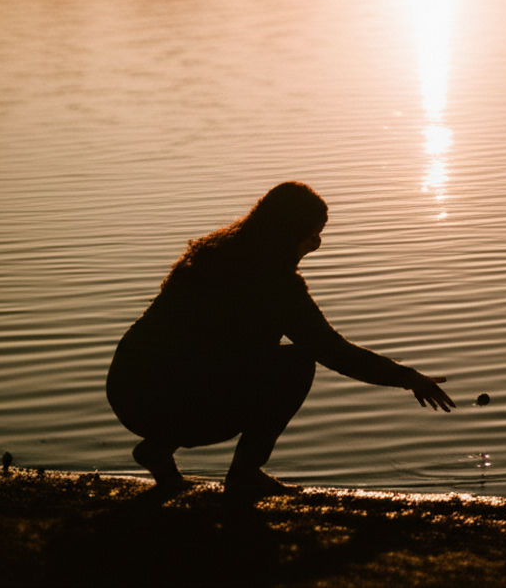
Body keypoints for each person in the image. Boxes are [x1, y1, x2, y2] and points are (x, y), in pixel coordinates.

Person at [107, 182, 455, 493]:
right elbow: (332, 351)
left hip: (128, 394)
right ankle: (244, 473)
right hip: (176, 405)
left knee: (221, 359)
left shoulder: (209, 255)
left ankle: (159, 452)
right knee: (297, 363)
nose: (317, 244)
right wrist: (407, 378)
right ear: (291, 234)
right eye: (313, 235)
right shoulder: (276, 283)